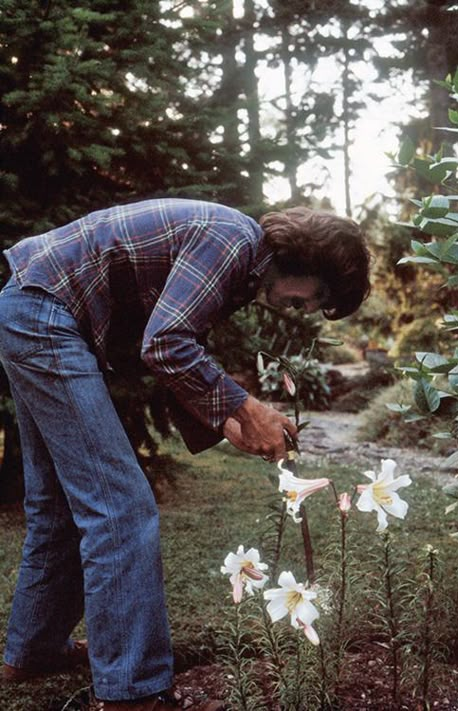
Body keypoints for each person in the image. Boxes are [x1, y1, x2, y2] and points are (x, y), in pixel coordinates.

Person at [0, 199, 370, 710]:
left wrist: (227, 422)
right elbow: (167, 343)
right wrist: (251, 408)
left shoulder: (241, 260)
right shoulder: (234, 241)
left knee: (59, 503)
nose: (304, 309)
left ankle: (33, 651)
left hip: (32, 306)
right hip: (45, 314)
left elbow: (175, 345)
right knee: (121, 509)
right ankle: (133, 692)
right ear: (309, 261)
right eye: (317, 296)